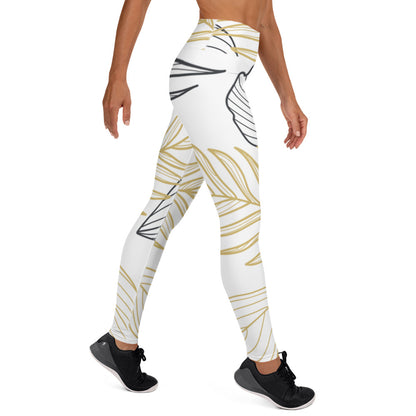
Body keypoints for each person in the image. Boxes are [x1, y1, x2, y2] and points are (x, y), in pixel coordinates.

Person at [90, 0, 314, 409]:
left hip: (215, 75)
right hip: (212, 73)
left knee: (162, 207)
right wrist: (117, 76)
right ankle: (264, 365)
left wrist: (287, 96)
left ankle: (119, 343)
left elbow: (264, 18)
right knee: (241, 219)